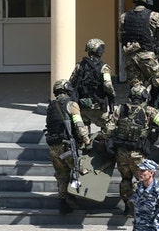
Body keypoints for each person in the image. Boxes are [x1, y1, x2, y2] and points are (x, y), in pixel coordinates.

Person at [106, 83, 159, 216]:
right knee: (140, 180)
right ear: (145, 96)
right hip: (138, 152)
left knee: (126, 178)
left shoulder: (120, 109)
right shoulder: (150, 111)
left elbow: (108, 128)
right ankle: (135, 200)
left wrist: (105, 141)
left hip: (121, 152)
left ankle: (127, 205)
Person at [44, 79, 91, 215]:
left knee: (61, 175)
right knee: (81, 170)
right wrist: (86, 139)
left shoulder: (51, 106)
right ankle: (76, 196)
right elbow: (79, 124)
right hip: (67, 146)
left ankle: (64, 203)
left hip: (54, 147)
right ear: (67, 89)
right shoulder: (71, 104)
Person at [119, 0, 159, 92]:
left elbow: (120, 37)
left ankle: (137, 102)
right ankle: (149, 93)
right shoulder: (153, 16)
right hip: (147, 55)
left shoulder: (124, 17)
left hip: (129, 56)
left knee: (135, 84)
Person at [69, 38, 117, 139]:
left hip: (82, 107)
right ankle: (102, 146)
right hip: (98, 108)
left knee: (83, 134)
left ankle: (84, 147)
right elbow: (108, 86)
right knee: (110, 130)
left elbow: (71, 83)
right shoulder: (104, 68)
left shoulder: (79, 66)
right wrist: (112, 108)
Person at [132, 159, 159, 231]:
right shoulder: (139, 186)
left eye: (143, 171)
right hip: (140, 226)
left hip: (153, 227)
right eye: (139, 170)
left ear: (151, 173)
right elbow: (137, 209)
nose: (139, 173)